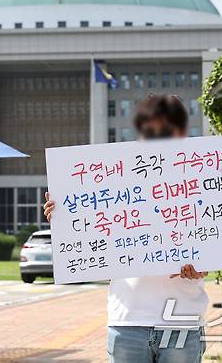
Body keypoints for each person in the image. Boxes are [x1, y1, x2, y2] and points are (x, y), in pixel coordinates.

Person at [44, 94, 208, 363]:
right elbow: (90, 231)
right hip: (128, 320)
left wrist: (203, 266)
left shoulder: (201, 173)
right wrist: (63, 217)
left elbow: (214, 240)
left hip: (182, 320)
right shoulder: (116, 172)